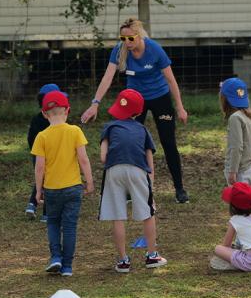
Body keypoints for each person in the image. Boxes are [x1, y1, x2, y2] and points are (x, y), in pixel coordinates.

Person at [80, 17, 191, 204]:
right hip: (134, 100)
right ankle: (133, 189)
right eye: (123, 39)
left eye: (131, 39)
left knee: (168, 141)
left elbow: (171, 80)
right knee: (131, 142)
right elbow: (107, 78)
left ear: (140, 36)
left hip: (159, 98)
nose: (127, 43)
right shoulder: (120, 50)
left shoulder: (154, 49)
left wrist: (180, 107)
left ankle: (179, 189)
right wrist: (95, 103)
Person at [99, 89, 168, 273]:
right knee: (147, 212)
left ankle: (123, 261)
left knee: (118, 216)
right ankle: (152, 255)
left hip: (114, 170)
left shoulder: (109, 127)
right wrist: (150, 186)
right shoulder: (143, 130)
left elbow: (103, 157)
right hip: (138, 170)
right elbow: (149, 161)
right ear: (138, 112)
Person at [31, 91, 94, 277]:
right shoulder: (75, 131)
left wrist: (38, 190)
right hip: (74, 188)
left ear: (44, 114)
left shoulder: (41, 136)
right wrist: (89, 182)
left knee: (52, 223)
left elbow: (39, 167)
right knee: (69, 226)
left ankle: (55, 257)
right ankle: (67, 266)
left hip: (52, 189)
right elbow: (83, 159)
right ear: (67, 110)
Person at [25, 83, 63, 220]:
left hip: (38, 154)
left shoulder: (36, 119)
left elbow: (30, 138)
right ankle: (46, 213)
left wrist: (35, 152)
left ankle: (31, 204)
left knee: (40, 179)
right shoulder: (58, 120)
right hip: (53, 156)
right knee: (50, 182)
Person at [220, 77, 251, 186]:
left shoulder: (235, 118)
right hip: (247, 167)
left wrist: (233, 171)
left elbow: (237, 146)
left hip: (238, 171)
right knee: (246, 199)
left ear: (224, 98)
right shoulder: (246, 116)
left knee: (238, 200)